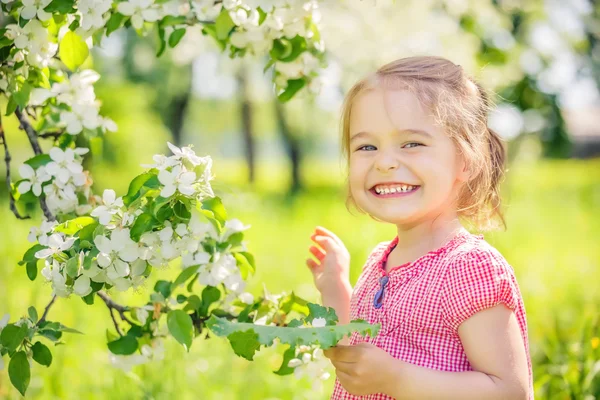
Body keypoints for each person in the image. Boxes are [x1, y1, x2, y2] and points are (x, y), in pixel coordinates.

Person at [305, 56, 532, 400]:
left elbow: (511, 391)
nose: (384, 162)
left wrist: (397, 380)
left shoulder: (468, 269)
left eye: (411, 143)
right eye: (367, 146)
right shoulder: (380, 260)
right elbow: (360, 362)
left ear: (466, 160)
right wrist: (335, 290)